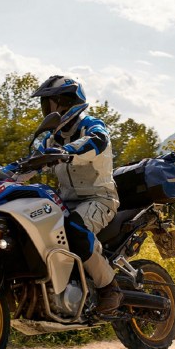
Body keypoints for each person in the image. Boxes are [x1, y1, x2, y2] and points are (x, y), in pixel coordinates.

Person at [30, 75, 123, 313]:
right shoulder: (51, 138)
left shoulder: (92, 125)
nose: (47, 110)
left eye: (51, 104)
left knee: (74, 229)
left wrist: (64, 151)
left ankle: (109, 288)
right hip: (67, 202)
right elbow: (31, 164)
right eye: (46, 105)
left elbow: (97, 141)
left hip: (99, 199)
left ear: (68, 103)